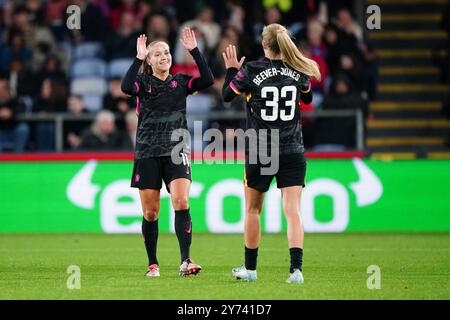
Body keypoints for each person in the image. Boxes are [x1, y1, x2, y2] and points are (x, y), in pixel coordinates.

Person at [222, 23, 321, 283]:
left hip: (260, 151)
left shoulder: (251, 70)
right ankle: (296, 271)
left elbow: (226, 96)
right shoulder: (299, 70)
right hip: (293, 149)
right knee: (293, 212)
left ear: (264, 44)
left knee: (253, 210)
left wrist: (232, 68)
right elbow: (308, 99)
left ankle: (251, 270)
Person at [121, 28, 213, 277]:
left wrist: (194, 51)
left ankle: (186, 261)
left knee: (181, 202)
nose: (164, 56)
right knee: (151, 213)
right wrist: (138, 58)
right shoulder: (142, 83)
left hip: (176, 150)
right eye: (158, 54)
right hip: (147, 152)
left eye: (167, 52)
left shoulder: (181, 83)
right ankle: (153, 263)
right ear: (149, 61)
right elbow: (126, 87)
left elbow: (207, 80)